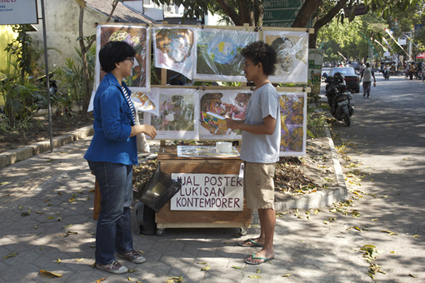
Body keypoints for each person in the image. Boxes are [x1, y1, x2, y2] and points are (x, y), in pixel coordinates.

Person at [84, 41, 157, 274]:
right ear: (117, 63)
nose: (133, 64)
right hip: (109, 158)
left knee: (124, 206)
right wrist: (143, 128)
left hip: (122, 157)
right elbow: (114, 131)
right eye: (130, 60)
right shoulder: (108, 92)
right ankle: (104, 259)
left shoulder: (120, 87)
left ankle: (124, 248)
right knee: (111, 211)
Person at [226, 41, 280, 265]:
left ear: (259, 66)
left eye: (247, 64)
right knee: (259, 201)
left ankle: (269, 248)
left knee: (265, 203)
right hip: (254, 157)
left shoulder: (267, 92)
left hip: (261, 159)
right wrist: (239, 122)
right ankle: (261, 239)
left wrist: (238, 126)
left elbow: (269, 128)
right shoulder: (258, 91)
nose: (244, 69)